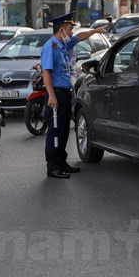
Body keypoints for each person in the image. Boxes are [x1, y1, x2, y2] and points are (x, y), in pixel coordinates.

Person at [41, 11, 108, 179]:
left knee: (63, 131)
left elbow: (80, 37)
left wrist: (94, 31)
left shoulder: (63, 44)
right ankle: (53, 166)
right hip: (55, 93)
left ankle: (61, 162)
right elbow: (46, 73)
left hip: (64, 93)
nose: (72, 33)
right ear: (62, 30)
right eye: (70, 29)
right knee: (55, 132)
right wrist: (51, 96)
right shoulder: (51, 46)